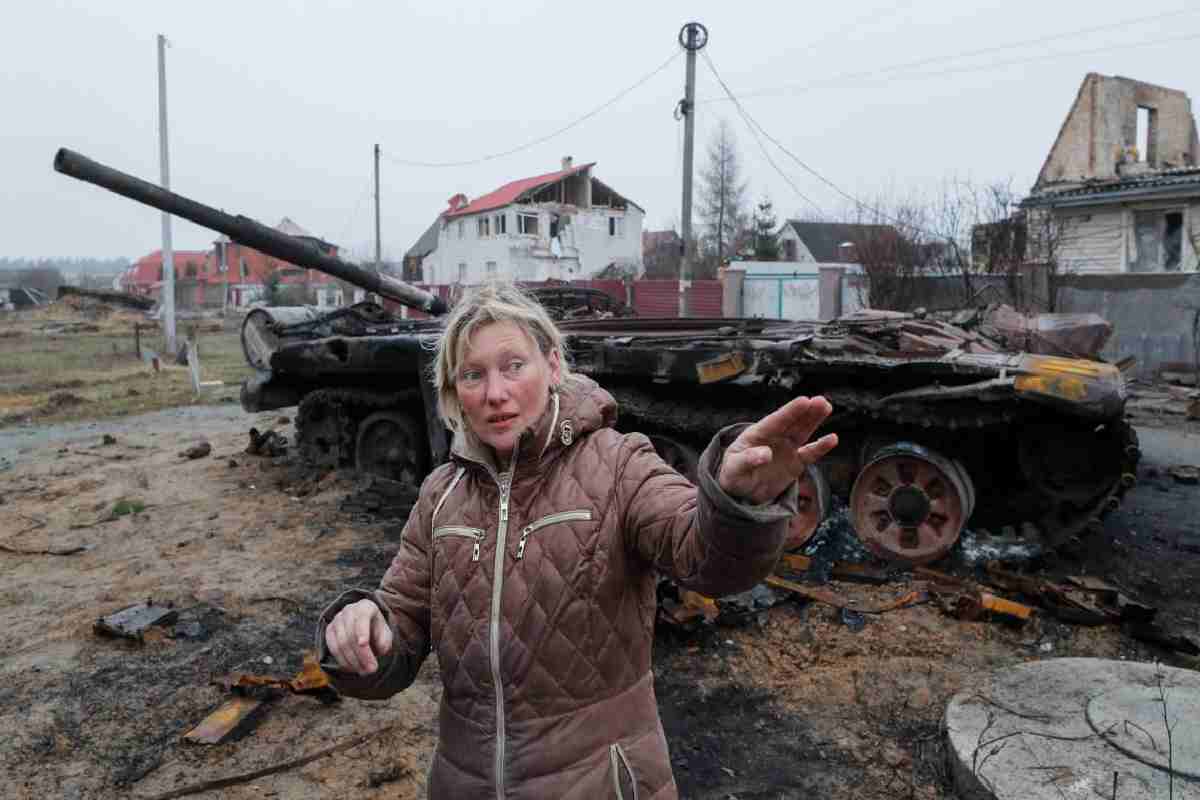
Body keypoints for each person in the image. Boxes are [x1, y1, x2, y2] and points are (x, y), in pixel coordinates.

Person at [316, 283, 837, 799]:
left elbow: (703, 554)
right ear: (454, 392)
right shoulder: (441, 494)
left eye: (513, 366)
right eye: (473, 374)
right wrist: (367, 633)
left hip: (598, 780)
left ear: (554, 367)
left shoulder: (618, 465)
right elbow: (401, 624)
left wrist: (734, 503)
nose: (495, 392)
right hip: (464, 781)